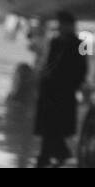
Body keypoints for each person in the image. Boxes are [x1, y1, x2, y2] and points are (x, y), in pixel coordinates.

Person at [33, 10, 87, 168]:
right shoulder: (55, 42)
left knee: (53, 128)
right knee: (50, 128)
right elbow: (49, 63)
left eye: (65, 24)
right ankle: (54, 156)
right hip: (50, 91)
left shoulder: (81, 44)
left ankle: (47, 158)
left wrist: (74, 85)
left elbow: (83, 68)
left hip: (65, 92)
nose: (62, 27)